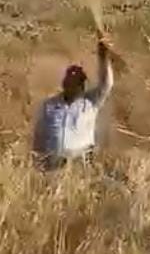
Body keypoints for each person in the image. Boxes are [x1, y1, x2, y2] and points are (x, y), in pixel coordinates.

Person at [32, 38, 114, 169]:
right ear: (64, 84)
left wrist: (103, 58)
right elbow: (39, 135)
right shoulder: (50, 105)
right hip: (53, 164)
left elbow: (106, 84)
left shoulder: (90, 103)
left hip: (79, 164)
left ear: (82, 86)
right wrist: (37, 160)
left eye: (76, 84)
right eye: (70, 83)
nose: (72, 87)